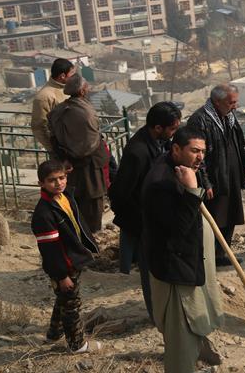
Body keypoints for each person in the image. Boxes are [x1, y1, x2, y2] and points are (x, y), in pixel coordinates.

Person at [142, 126, 224, 373]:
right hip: (174, 269)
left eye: (203, 151)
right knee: (181, 333)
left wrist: (193, 183)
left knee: (192, 330)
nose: (200, 157)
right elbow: (176, 233)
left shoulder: (182, 168)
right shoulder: (161, 182)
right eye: (194, 151)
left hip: (188, 263)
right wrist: (191, 191)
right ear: (176, 149)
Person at [108, 101, 182, 319]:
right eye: (172, 129)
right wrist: (142, 223)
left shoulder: (159, 143)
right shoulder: (138, 152)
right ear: (158, 128)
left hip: (156, 220)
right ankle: (156, 315)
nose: (174, 133)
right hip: (143, 223)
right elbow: (121, 193)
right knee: (150, 272)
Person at [32, 160, 100, 354]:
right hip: (63, 266)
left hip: (72, 259)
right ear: (41, 183)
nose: (58, 183)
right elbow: (50, 250)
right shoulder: (44, 214)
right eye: (52, 180)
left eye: (62, 178)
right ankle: (77, 344)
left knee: (64, 298)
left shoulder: (64, 196)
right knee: (71, 304)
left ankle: (54, 333)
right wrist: (62, 276)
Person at [187, 84, 245, 267]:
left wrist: (244, 168)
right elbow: (198, 156)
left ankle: (222, 253)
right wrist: (205, 182)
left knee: (231, 215)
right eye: (231, 102)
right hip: (215, 178)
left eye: (236, 102)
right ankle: (209, 256)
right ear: (217, 101)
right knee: (214, 218)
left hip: (231, 175)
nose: (235, 106)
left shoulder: (229, 116)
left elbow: (239, 144)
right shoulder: (199, 120)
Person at [46, 74, 110, 233]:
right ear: (82, 91)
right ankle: (90, 237)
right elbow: (90, 141)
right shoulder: (84, 112)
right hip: (88, 166)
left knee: (76, 202)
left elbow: (53, 136)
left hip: (69, 163)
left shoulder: (60, 109)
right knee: (91, 205)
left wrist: (66, 158)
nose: (88, 89)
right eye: (87, 87)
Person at [31, 58, 75, 151]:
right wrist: (54, 150)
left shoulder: (69, 88)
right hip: (63, 149)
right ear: (62, 76)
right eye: (72, 74)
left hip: (76, 145)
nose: (74, 77)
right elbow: (39, 128)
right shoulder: (44, 97)